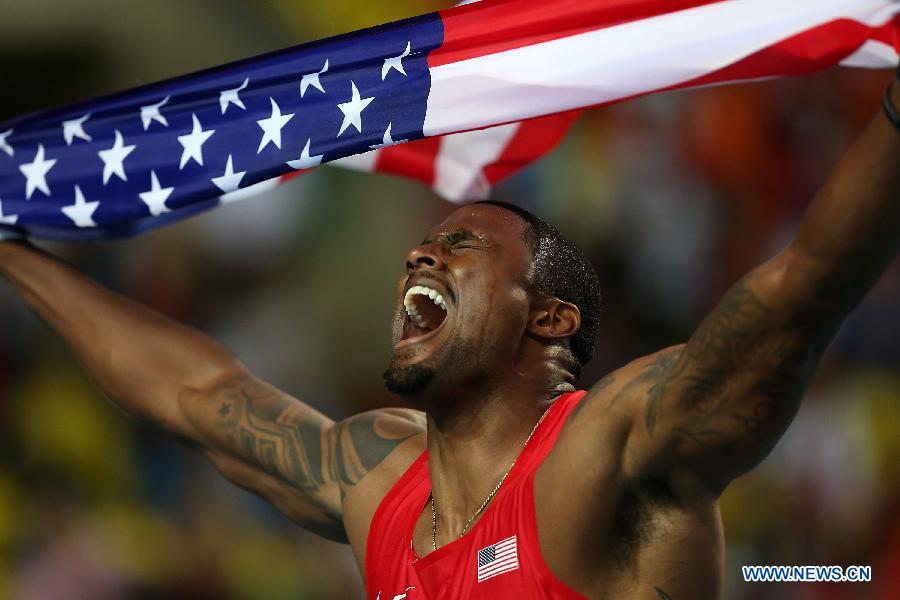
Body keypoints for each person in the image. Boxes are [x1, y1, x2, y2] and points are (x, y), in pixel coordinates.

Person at [1, 72, 898, 599]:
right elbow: (198, 396)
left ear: (547, 318)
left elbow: (799, 296)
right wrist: (13, 253)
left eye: (462, 245)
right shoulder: (378, 484)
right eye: (422, 244)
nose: (420, 254)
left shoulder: (610, 451)